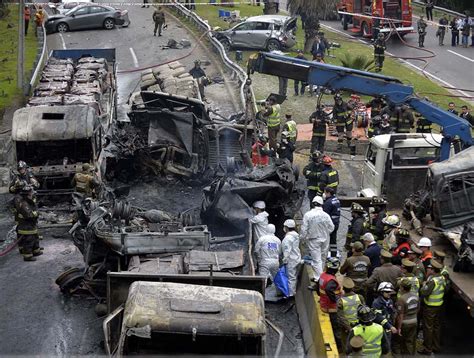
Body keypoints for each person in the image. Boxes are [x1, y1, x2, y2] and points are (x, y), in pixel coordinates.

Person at [301, 195, 335, 282]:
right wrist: (326, 233)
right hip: (325, 238)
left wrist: (303, 239)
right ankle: (320, 276)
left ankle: (320, 279)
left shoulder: (308, 215)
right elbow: (331, 227)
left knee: (316, 260)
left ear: (312, 204)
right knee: (323, 257)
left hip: (313, 239)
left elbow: (304, 229)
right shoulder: (326, 215)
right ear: (321, 204)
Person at [419, 259, 446, 355]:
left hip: (430, 307)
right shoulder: (442, 278)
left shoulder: (433, 281)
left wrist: (423, 285)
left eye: (430, 268)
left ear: (433, 270)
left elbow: (424, 292)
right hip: (439, 306)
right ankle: (436, 346)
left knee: (428, 328)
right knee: (436, 326)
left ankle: (427, 348)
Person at [315, 257, 343, 348]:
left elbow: (317, 287)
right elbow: (328, 289)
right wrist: (334, 300)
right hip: (331, 308)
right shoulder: (332, 281)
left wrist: (321, 296)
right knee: (336, 328)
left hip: (323, 304)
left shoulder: (323, 275)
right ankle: (339, 347)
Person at [393, 278, 420, 355]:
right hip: (414, 321)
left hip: (405, 323)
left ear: (402, 288)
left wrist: (399, 328)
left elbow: (400, 315)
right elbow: (418, 309)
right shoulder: (416, 296)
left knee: (401, 342)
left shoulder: (401, 299)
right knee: (410, 341)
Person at [15, 185, 42, 261]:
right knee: (28, 241)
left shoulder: (29, 201)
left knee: (35, 238)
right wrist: (36, 213)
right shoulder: (24, 204)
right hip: (26, 226)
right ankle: (27, 256)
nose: (33, 193)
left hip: (31, 225)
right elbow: (29, 215)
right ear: (28, 194)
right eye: (31, 192)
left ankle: (36, 251)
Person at [337, 277, 365, 349]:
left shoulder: (341, 301)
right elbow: (364, 311)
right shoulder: (360, 297)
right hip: (359, 325)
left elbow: (341, 317)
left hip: (347, 328)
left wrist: (349, 328)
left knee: (347, 344)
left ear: (343, 288)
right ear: (353, 288)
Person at [281, 219, 301, 297]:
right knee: (294, 277)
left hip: (291, 260)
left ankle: (291, 295)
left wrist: (284, 260)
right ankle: (292, 292)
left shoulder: (288, 238)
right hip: (297, 258)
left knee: (291, 278)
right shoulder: (296, 236)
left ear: (286, 227)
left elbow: (287, 250)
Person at [322, 187, 340, 257]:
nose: (324, 194)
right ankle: (334, 255)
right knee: (333, 241)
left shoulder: (328, 202)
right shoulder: (336, 200)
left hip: (330, 224)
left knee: (326, 240)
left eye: (325, 193)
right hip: (336, 223)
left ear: (329, 193)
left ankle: (325, 255)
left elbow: (325, 215)